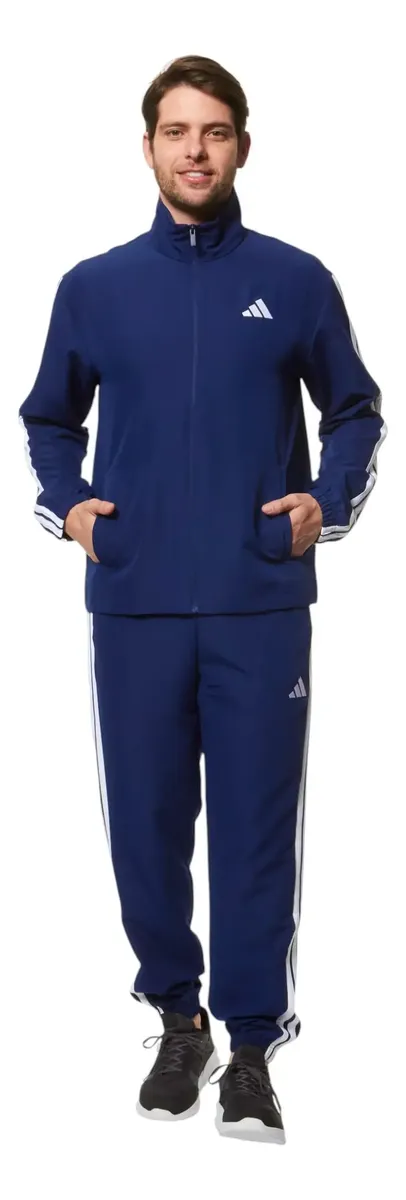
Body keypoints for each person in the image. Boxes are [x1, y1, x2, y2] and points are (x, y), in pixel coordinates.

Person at [18, 53, 387, 1144]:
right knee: (144, 829)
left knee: (255, 829)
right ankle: (178, 1019)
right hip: (133, 603)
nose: (195, 149)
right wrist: (72, 509)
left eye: (214, 131)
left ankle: (253, 1047)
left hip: (256, 601)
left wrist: (325, 501)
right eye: (176, 131)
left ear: (242, 147)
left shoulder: (296, 279)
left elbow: (357, 410)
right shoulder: (93, 287)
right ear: (147, 147)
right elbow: (48, 420)